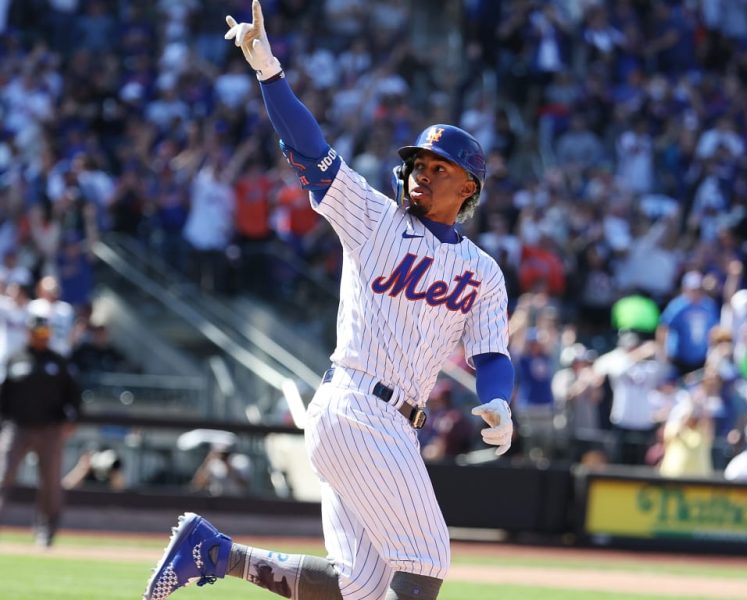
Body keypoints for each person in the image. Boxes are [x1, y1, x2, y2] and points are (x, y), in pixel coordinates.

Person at [144, 4, 516, 600]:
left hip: (388, 423)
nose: (421, 172)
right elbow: (311, 148)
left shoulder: (484, 271)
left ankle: (213, 552)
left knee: (358, 587)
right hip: (358, 405)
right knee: (425, 558)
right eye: (417, 162)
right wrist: (268, 70)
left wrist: (498, 401)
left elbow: (492, 353)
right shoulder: (374, 218)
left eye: (438, 167)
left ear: (467, 186)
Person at [0, 315, 81, 547]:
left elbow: (73, 395)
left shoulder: (58, 361)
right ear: (29, 333)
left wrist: (71, 420)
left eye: (45, 334)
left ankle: (46, 531)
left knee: (50, 483)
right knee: (3, 475)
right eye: (37, 334)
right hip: (17, 427)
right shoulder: (15, 359)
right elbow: (3, 395)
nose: (41, 338)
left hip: (50, 429)